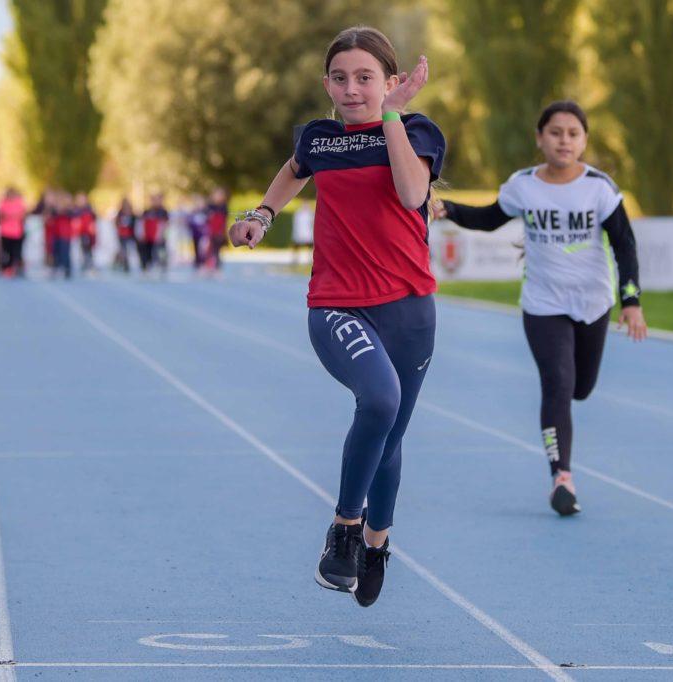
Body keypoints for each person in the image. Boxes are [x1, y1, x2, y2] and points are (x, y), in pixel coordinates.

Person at [229, 26, 445, 607]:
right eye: (341, 78)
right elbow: (294, 169)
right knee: (379, 399)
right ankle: (346, 526)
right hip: (336, 304)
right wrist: (262, 214)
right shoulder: (319, 139)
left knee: (389, 438)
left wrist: (392, 116)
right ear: (327, 84)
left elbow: (411, 193)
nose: (352, 89)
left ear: (390, 82)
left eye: (365, 78)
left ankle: (377, 542)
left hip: (409, 311)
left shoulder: (418, 132)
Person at [433, 100, 647, 517]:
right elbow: (490, 218)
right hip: (543, 302)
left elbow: (624, 244)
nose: (564, 141)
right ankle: (561, 477)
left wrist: (631, 301)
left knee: (580, 388)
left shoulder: (599, 188)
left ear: (584, 140)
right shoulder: (523, 186)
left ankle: (562, 462)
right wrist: (449, 209)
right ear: (540, 138)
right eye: (555, 132)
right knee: (558, 381)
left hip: (592, 302)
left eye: (573, 134)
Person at [291, 199, 314, 265]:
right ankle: (295, 260)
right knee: (296, 247)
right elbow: (296, 224)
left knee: (311, 247)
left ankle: (311, 259)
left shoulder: (310, 214)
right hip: (299, 233)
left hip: (308, 233)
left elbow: (312, 223)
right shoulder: (298, 213)